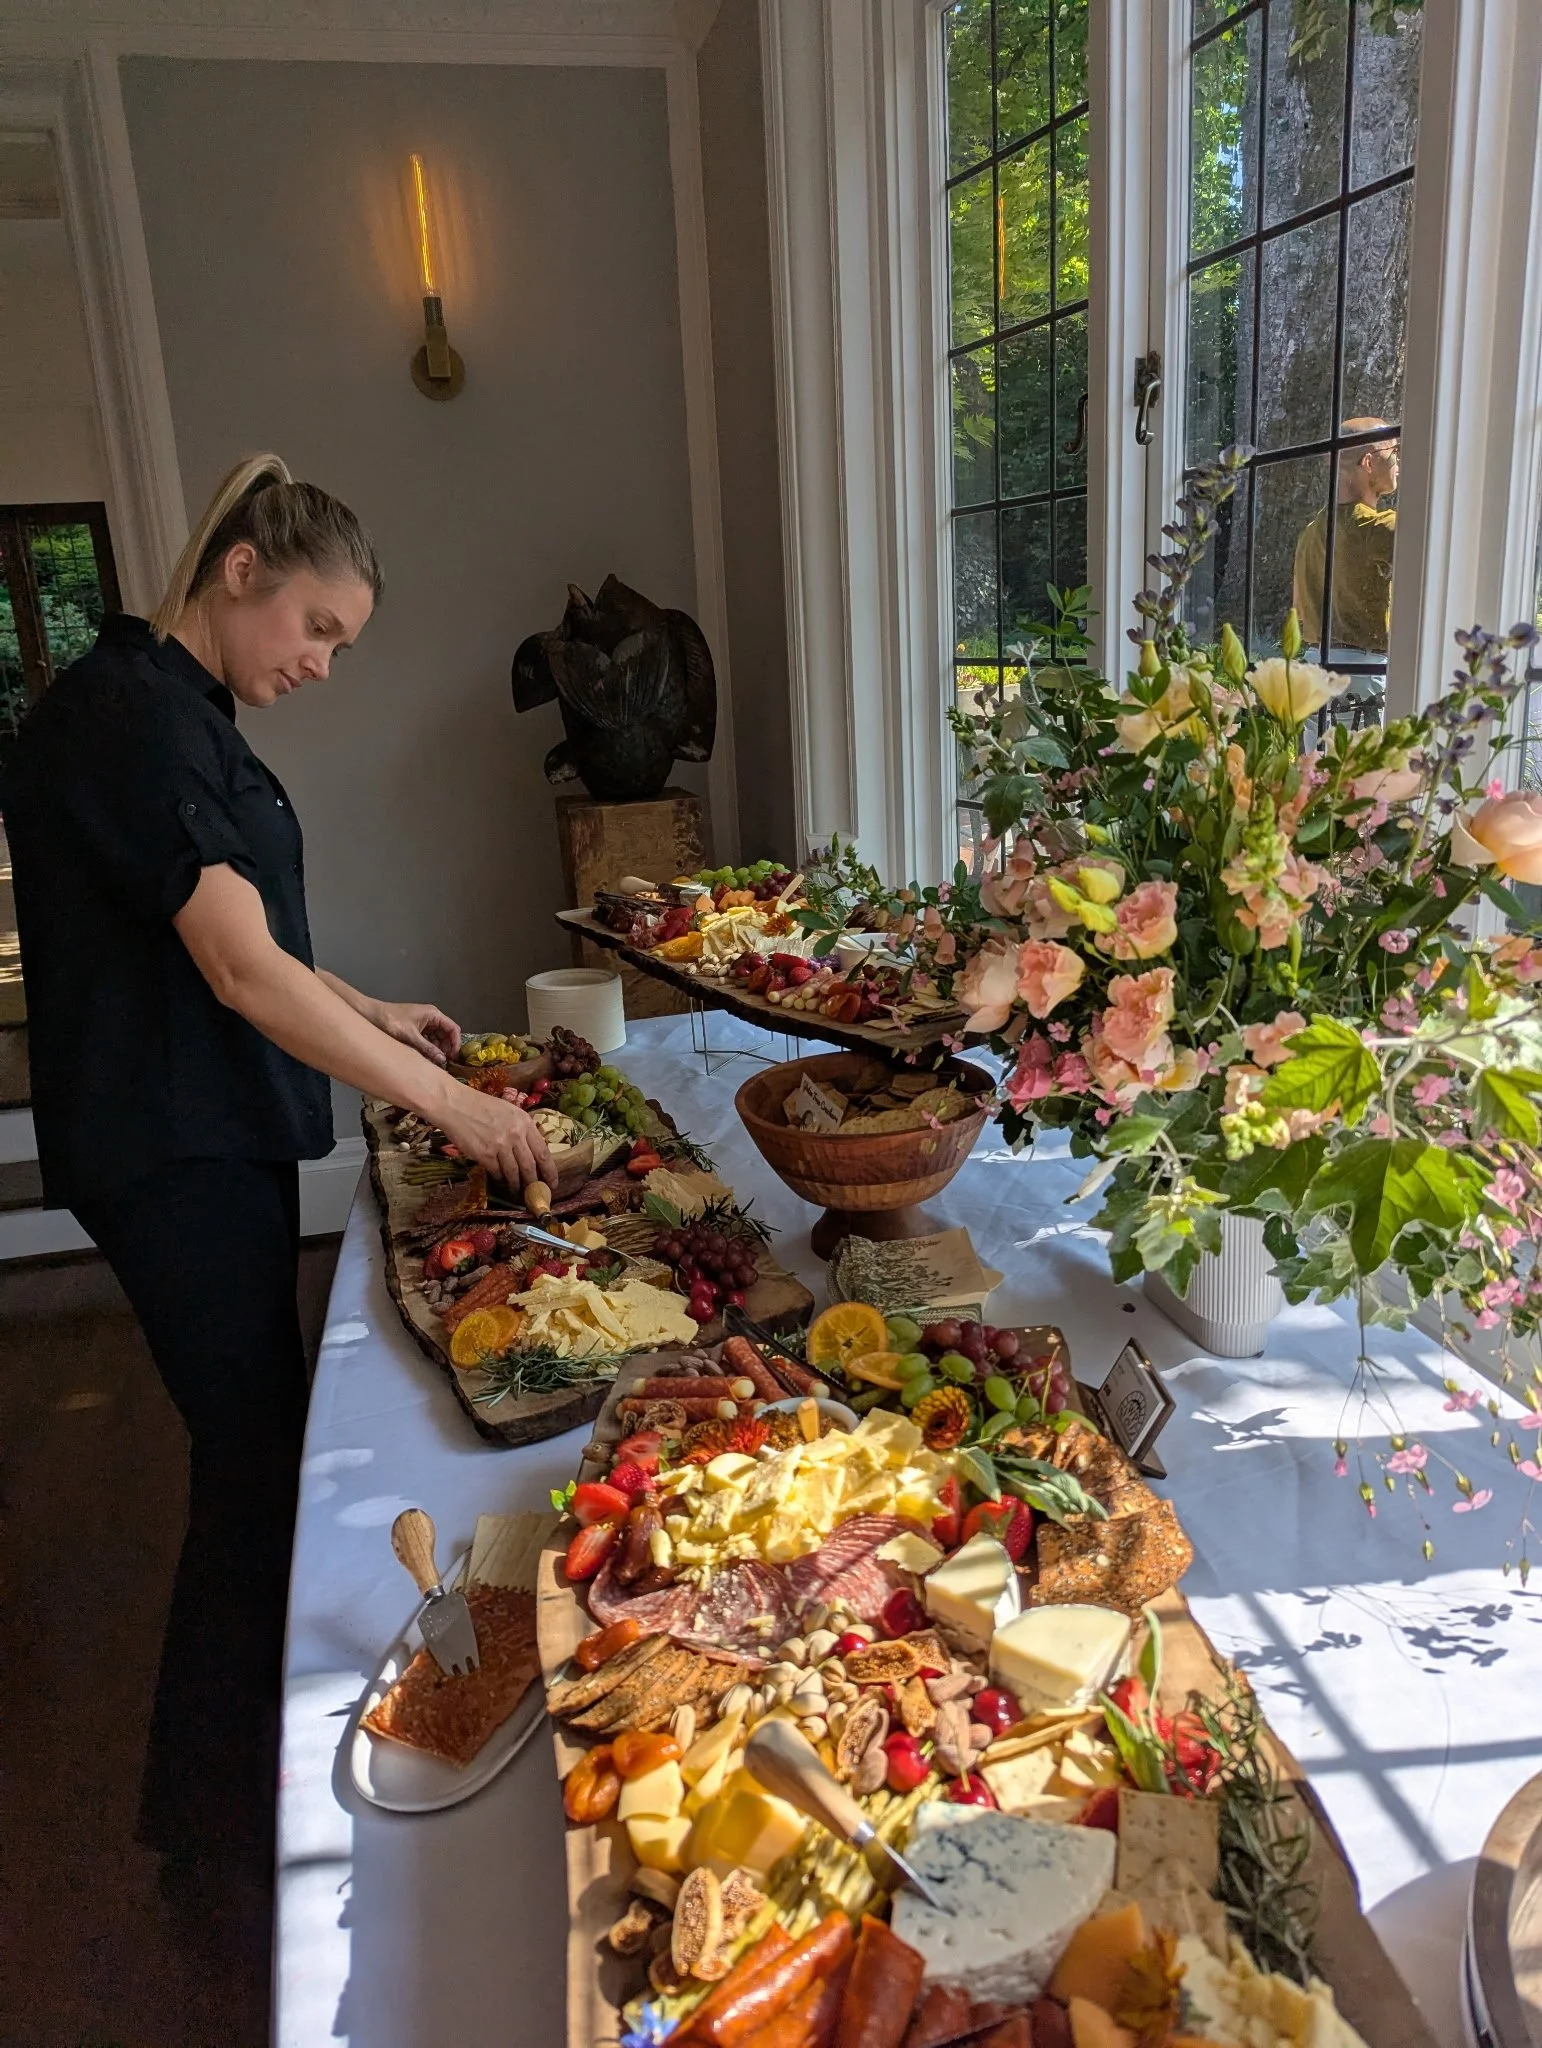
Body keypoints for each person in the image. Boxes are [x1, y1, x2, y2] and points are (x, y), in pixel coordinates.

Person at [1, 453, 555, 1957]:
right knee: (252, 1472)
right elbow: (236, 973)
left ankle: (219, 1793)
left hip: (196, 1140)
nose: (321, 663)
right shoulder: (126, 718)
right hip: (168, 1153)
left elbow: (258, 941)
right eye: (318, 627)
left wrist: (376, 1008)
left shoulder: (182, 712)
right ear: (240, 569)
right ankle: (209, 1829)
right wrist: (455, 1109)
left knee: (260, 1458)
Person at [1291, 420, 1399, 657]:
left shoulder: (1310, 533)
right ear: (1368, 462)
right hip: (1365, 672)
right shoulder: (1382, 529)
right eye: (1394, 452)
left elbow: (1298, 611)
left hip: (1315, 664)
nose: (1397, 463)